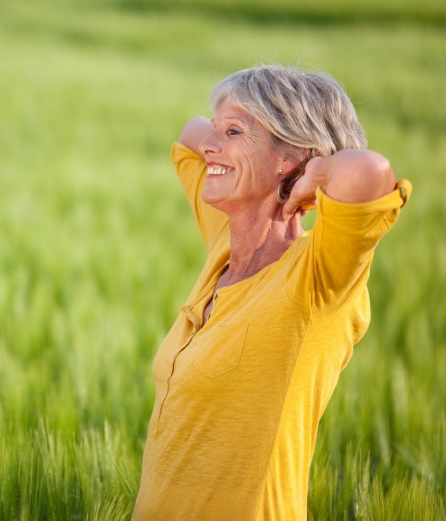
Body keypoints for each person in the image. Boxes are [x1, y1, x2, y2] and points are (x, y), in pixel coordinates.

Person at [131, 65, 411, 520]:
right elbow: (190, 135)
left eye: (235, 131)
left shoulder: (317, 278)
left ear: (289, 157)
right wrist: (235, 132)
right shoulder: (227, 239)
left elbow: (370, 171)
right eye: (218, 129)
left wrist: (313, 169)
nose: (210, 146)